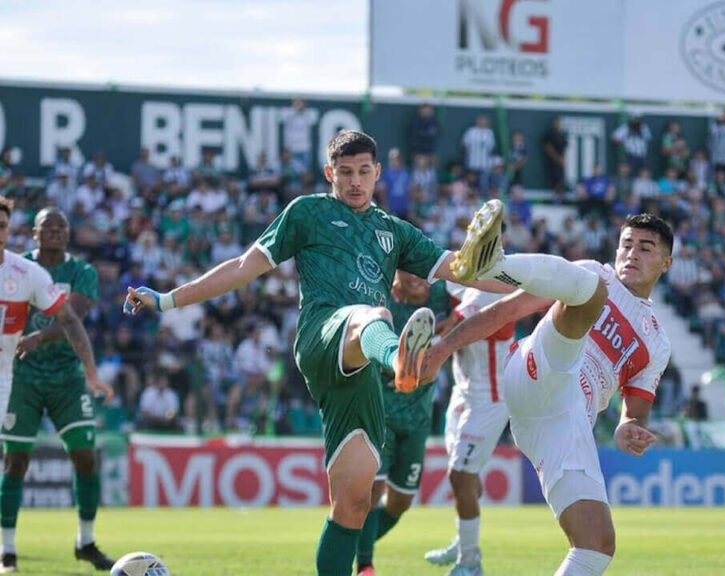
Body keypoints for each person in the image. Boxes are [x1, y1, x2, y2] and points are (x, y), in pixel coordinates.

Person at [121, 130, 507, 576]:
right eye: (345, 173)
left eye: (364, 172)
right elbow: (244, 266)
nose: (355, 181)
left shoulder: (394, 231)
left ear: (378, 173)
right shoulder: (307, 212)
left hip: (359, 368)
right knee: (373, 313)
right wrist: (169, 299)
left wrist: (547, 283)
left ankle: (393, 359)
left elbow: (464, 271)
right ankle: (401, 360)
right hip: (324, 335)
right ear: (330, 173)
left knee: (354, 503)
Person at [425, 201, 673, 575]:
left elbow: (633, 412)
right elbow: (505, 311)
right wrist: (443, 348)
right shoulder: (595, 274)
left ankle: (494, 262)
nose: (631, 253)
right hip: (535, 370)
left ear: (665, 263)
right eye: (626, 244)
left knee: (597, 545)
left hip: (563, 422)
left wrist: (626, 429)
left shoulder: (657, 342)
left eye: (645, 247)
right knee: (590, 287)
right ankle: (494, 263)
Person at [0, 206, 114, 573]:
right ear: (33, 233)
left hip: (66, 376)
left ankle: (86, 541)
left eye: (60, 226)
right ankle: (8, 550)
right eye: (46, 227)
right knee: (16, 461)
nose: (53, 231)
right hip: (22, 377)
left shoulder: (80, 271)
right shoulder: (17, 268)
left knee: (85, 455)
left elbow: (72, 315)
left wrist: (41, 338)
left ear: (68, 233)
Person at [355, 270, 452, 576]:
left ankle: (347, 543)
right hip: (380, 413)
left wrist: (448, 330)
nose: (420, 283)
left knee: (400, 502)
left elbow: (460, 313)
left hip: (418, 419)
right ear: (396, 277)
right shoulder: (382, 304)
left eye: (424, 277)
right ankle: (365, 565)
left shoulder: (438, 296)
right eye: (411, 276)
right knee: (373, 490)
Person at [423, 285, 515, 574]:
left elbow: (452, 327)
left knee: (461, 475)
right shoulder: (458, 275)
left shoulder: (492, 286)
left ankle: (470, 562)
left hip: (490, 398)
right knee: (464, 475)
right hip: (462, 393)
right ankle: (463, 541)